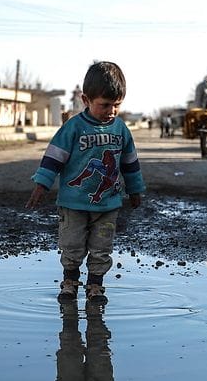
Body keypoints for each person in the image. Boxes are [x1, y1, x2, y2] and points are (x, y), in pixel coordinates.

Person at [26, 61, 145, 302]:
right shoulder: (74, 127)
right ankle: (70, 281)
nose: (111, 111)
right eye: (105, 105)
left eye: (116, 105)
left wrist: (135, 190)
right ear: (86, 100)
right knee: (72, 245)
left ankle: (95, 286)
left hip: (108, 204)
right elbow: (54, 158)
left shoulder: (121, 130)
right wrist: (41, 185)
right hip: (74, 203)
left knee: (102, 248)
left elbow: (130, 163)